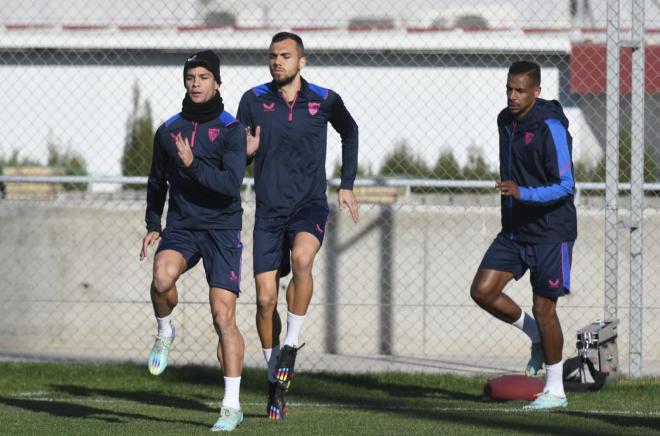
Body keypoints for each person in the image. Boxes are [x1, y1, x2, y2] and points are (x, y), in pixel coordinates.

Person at [236, 32, 359, 420]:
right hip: (269, 212)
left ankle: (290, 345)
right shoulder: (253, 100)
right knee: (264, 299)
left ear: (301, 61)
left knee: (303, 260)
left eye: (285, 56)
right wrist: (246, 155)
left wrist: (348, 185)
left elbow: (350, 131)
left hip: (308, 206)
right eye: (272, 56)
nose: (277, 62)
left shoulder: (325, 99)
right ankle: (275, 381)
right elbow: (235, 156)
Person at [140, 50, 247, 431]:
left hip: (221, 228)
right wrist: (154, 221)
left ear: (217, 82)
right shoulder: (168, 130)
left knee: (223, 317)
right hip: (182, 226)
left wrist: (192, 164)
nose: (196, 83)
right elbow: (156, 181)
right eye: (191, 77)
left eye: (204, 77)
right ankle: (165, 330)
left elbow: (228, 185)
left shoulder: (232, 129)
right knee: (160, 279)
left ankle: (231, 406)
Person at [469, 61, 577, 410]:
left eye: (520, 90)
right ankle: (533, 335)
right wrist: (515, 200)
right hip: (515, 231)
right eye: (509, 89)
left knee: (544, 308)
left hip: (550, 231)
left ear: (537, 91)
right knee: (483, 291)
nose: (513, 97)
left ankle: (556, 390)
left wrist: (523, 193)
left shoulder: (551, 125)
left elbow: (566, 184)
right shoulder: (504, 120)